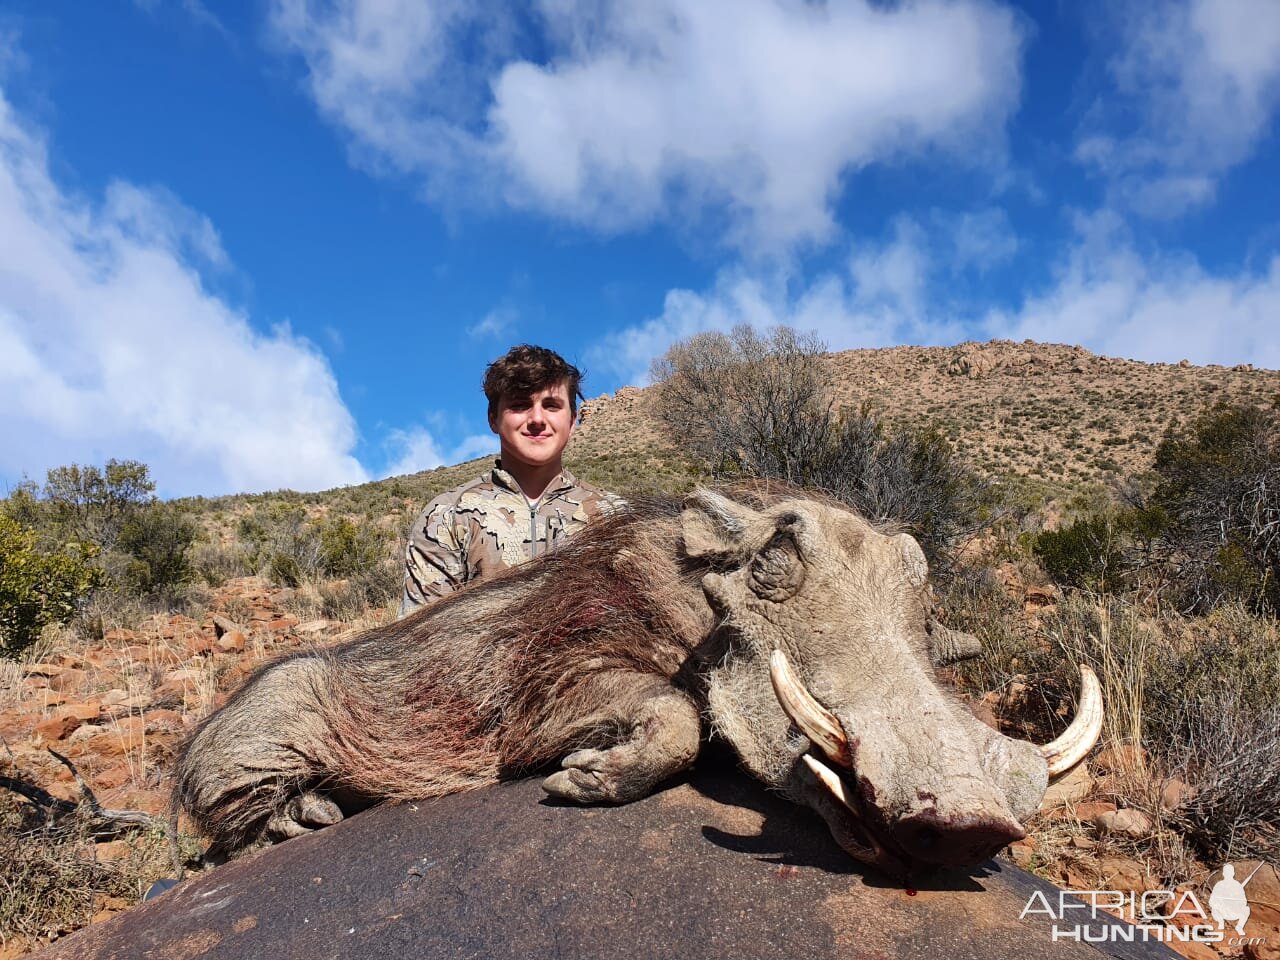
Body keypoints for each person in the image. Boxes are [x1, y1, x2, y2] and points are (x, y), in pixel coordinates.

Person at [399, 344, 623, 617]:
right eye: (520, 405)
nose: (537, 419)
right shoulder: (446, 516)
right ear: (493, 419)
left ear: (573, 420)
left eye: (551, 405)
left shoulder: (616, 516)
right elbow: (421, 640)